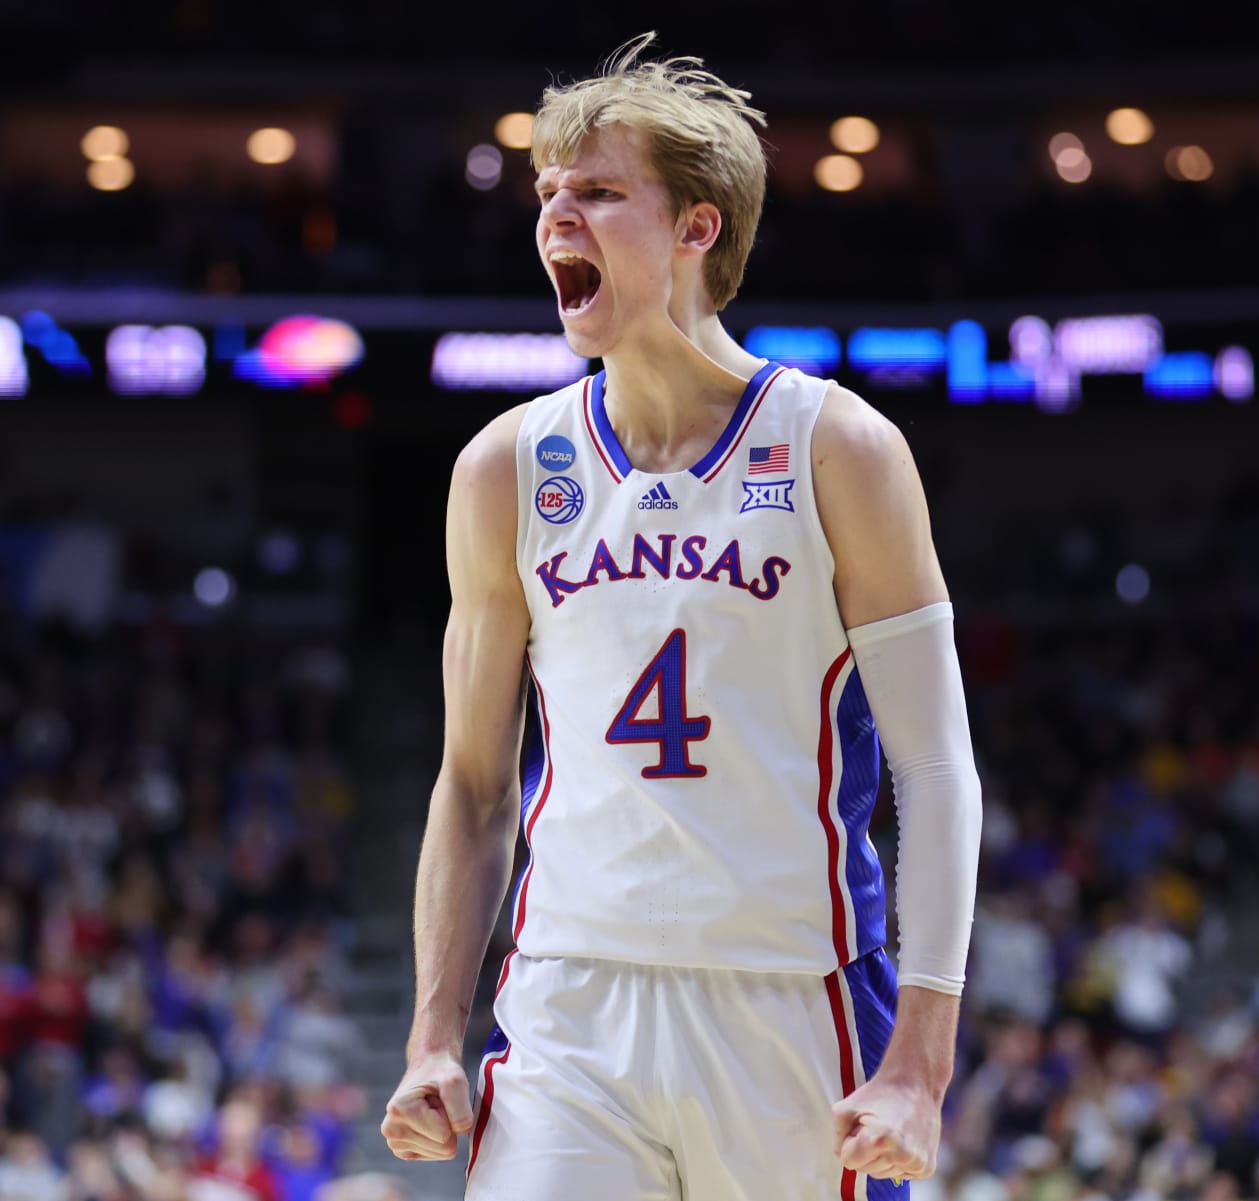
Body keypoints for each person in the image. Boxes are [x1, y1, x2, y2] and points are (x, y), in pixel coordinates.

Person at [380, 33, 983, 1201]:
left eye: (599, 193)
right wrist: (429, 1036)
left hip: (788, 1001)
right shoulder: (507, 467)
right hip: (569, 1006)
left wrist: (922, 1059)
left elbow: (934, 764)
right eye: (548, 193)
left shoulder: (837, 446)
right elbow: (471, 783)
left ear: (698, 228)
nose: (558, 217)